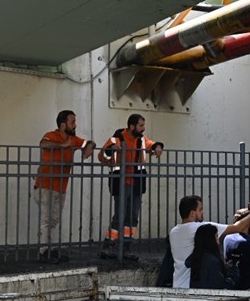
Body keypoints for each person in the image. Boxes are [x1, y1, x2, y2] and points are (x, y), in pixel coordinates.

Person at [98, 114, 162, 261]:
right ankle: (108, 247)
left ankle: (126, 248)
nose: (143, 128)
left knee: (133, 217)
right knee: (120, 216)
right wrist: (111, 150)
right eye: (141, 126)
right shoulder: (117, 138)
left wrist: (158, 146)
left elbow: (152, 144)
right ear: (132, 126)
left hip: (137, 183)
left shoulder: (141, 139)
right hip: (121, 183)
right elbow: (102, 157)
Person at [34, 110, 94, 263]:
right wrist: (63, 145)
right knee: (46, 220)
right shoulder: (52, 135)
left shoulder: (73, 139)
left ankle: (51, 249)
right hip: (45, 184)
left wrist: (89, 148)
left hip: (60, 186)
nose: (75, 125)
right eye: (72, 122)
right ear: (63, 125)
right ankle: (43, 251)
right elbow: (43, 144)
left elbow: (89, 142)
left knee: (54, 219)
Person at [168, 196, 250, 289]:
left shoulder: (174, 232)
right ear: (192, 213)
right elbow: (237, 228)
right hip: (195, 286)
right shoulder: (199, 228)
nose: (203, 212)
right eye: (200, 209)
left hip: (178, 284)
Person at [185, 224, 229, 290]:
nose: (218, 241)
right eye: (216, 236)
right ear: (210, 240)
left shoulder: (195, 257)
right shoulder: (212, 261)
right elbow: (219, 284)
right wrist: (233, 272)